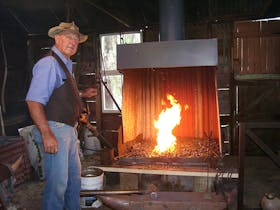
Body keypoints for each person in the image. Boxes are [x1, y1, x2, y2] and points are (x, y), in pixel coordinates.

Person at [25, 22, 97, 210]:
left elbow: (57, 92)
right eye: (68, 36)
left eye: (75, 38)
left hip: (68, 130)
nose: (73, 41)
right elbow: (33, 101)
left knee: (73, 181)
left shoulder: (64, 64)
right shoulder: (48, 64)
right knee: (58, 185)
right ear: (56, 38)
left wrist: (81, 95)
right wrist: (47, 133)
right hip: (55, 130)